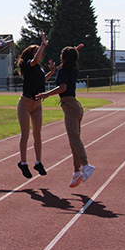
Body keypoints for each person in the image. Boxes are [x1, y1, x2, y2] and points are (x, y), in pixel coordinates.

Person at [36, 45, 95, 188]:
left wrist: (46, 94)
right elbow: (70, 59)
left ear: (63, 58)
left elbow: (63, 88)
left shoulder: (63, 71)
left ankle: (86, 165)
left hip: (70, 107)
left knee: (74, 139)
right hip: (75, 106)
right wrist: (73, 51)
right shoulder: (73, 69)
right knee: (73, 141)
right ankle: (76, 171)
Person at [16, 32, 56, 178]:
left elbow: (41, 81)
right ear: (32, 54)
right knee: (25, 134)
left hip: (37, 104)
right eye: (37, 50)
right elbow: (36, 58)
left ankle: (38, 162)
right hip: (25, 103)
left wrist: (51, 73)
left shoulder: (39, 68)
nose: (40, 53)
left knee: (38, 134)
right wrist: (43, 44)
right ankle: (23, 162)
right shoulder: (29, 64)